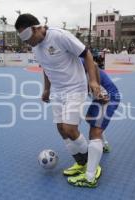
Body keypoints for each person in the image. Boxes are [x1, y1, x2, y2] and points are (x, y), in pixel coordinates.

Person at [15, 14, 103, 187]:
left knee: (70, 129)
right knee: (60, 129)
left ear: (36, 28)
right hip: (57, 91)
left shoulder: (59, 36)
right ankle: (80, 163)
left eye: (28, 38)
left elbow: (87, 54)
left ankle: (93, 165)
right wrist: (47, 89)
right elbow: (46, 69)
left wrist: (92, 81)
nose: (28, 43)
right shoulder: (35, 47)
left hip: (75, 88)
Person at [66, 58, 120, 187]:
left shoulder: (74, 60)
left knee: (95, 132)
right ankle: (104, 145)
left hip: (107, 96)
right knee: (90, 119)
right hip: (98, 96)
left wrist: (98, 88)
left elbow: (94, 64)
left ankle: (90, 177)